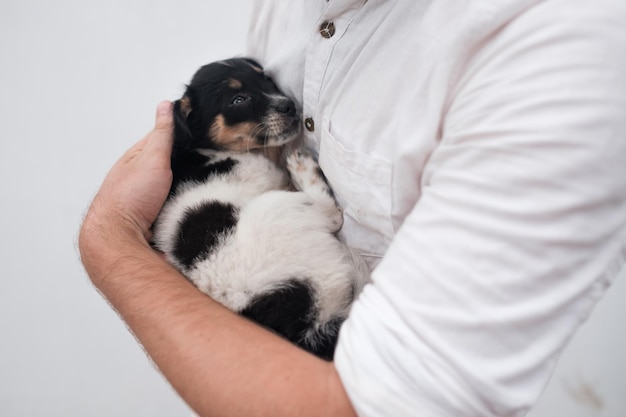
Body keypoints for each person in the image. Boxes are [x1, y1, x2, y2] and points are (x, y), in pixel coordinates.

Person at [79, 0, 626, 416]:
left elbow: (373, 404)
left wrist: (110, 238)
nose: (279, 100)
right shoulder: (285, 11)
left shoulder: (555, 49)